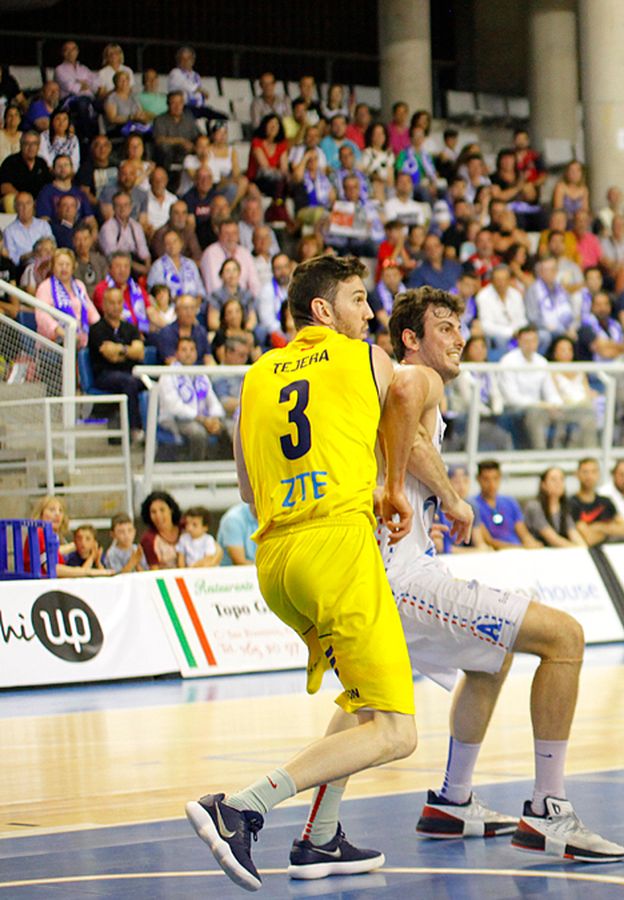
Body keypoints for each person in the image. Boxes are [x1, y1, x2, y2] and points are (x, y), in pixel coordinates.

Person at [333, 288, 619, 862]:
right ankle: (546, 810)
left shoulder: (386, 391)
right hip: (400, 579)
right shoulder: (415, 379)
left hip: (389, 572)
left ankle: (451, 802)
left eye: (460, 325)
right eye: (444, 327)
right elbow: (409, 421)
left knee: (488, 655)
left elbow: (404, 440)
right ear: (411, 339)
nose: (459, 336)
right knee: (564, 638)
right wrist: (452, 497)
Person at [185, 254, 428, 891]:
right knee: (397, 732)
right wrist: (393, 484)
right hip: (336, 549)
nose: (371, 312)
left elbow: (245, 487)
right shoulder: (366, 357)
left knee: (359, 700)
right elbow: (407, 390)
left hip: (276, 561)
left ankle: (320, 840)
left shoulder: (256, 376)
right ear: (323, 310)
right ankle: (241, 807)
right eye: (358, 299)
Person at [87, 286, 148, 437]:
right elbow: (109, 356)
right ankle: (136, 428)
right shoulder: (96, 329)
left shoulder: (131, 328)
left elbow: (139, 353)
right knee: (129, 382)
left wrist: (120, 349)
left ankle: (155, 430)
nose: (115, 306)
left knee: (153, 382)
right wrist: (129, 351)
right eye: (111, 303)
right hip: (105, 374)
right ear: (104, 305)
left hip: (131, 372)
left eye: (118, 302)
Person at [470, 460, 539, 549]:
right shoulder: (474, 505)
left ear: (500, 478)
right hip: (495, 553)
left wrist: (532, 544)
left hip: (518, 550)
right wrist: (519, 548)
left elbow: (523, 533)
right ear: (478, 479)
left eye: (495, 478)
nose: (491, 484)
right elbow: (488, 540)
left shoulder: (510, 502)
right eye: (486, 479)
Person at [570, 457, 624, 546]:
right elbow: (588, 538)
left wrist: (598, 527)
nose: (589, 476)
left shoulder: (605, 502)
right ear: (577, 474)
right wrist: (611, 530)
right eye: (585, 472)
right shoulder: (572, 504)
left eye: (593, 472)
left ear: (598, 474)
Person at [523, 466, 585, 547]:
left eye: (561, 479)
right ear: (543, 484)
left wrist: (583, 547)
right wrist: (577, 548)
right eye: (553, 479)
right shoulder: (534, 506)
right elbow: (552, 539)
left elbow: (573, 533)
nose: (558, 483)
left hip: (559, 553)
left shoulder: (564, 507)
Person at [139, 490, 183, 570]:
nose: (158, 516)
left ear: (171, 510)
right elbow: (155, 572)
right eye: (153, 512)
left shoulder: (186, 527)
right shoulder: (148, 539)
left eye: (162, 510)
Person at [217, 501, 259, 567]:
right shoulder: (233, 519)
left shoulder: (274, 517)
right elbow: (240, 562)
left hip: (257, 571)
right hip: (233, 575)